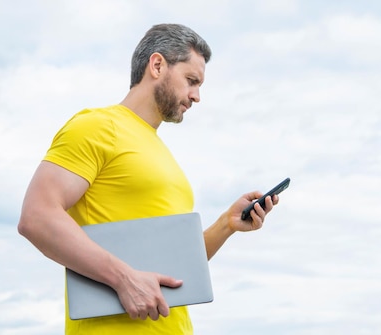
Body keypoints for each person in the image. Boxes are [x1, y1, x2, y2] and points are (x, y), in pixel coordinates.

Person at [17, 23, 279, 335]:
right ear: (157, 65)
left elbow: (175, 268)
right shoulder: (97, 126)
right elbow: (36, 217)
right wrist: (123, 278)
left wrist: (227, 224)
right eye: (191, 81)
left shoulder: (162, 154)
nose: (196, 96)